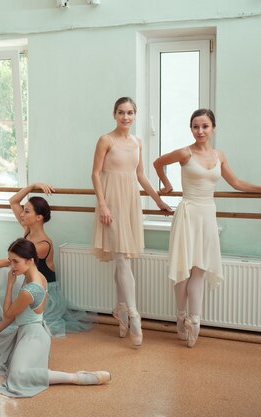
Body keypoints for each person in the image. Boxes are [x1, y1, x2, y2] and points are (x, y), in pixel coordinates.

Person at [153, 109, 261, 348]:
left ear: (213, 127)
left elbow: (236, 183)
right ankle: (180, 316)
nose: (200, 131)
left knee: (200, 269)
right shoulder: (185, 153)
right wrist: (167, 184)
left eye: (204, 126)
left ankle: (195, 321)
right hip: (188, 213)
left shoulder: (219, 155)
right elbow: (157, 163)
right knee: (183, 269)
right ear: (191, 128)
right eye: (195, 126)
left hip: (207, 214)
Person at [0, 183, 92, 337]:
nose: (22, 214)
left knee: (4, 272)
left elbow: (10, 261)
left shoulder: (43, 245)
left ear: (38, 217)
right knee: (1, 284)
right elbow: (13, 201)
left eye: (27, 211)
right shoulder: (27, 230)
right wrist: (32, 185)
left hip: (42, 293)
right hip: (27, 284)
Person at [0, 238, 110, 398]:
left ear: (30, 260)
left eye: (15, 262)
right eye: (10, 261)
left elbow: (8, 314)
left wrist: (10, 284)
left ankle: (78, 377)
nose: (11, 266)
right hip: (23, 332)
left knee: (18, 376)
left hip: (34, 336)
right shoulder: (33, 274)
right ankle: (22, 355)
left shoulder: (31, 289)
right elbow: (13, 316)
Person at [91, 97, 172, 346]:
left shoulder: (137, 142)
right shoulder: (106, 140)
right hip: (111, 202)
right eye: (121, 112)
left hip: (131, 203)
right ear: (114, 114)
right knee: (122, 258)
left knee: (121, 258)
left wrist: (158, 201)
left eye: (130, 112)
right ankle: (135, 315)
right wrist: (102, 204)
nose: (126, 117)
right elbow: (95, 174)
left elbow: (140, 175)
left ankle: (121, 309)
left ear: (135, 115)